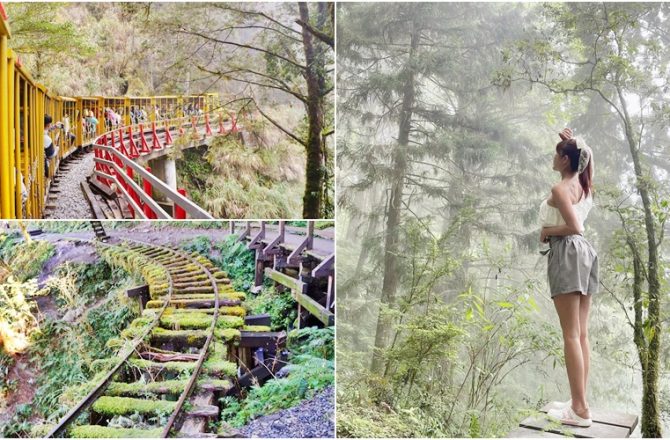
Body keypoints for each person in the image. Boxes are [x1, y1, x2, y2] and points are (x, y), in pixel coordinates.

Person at [539, 128, 597, 427]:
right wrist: (580, 143)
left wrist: (547, 231)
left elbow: (575, 227)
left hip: (568, 252)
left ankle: (580, 411)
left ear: (564, 160)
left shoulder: (561, 189)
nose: (553, 157)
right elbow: (588, 162)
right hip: (585, 256)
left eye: (556, 153)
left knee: (571, 335)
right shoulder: (583, 185)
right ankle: (578, 402)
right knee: (581, 334)